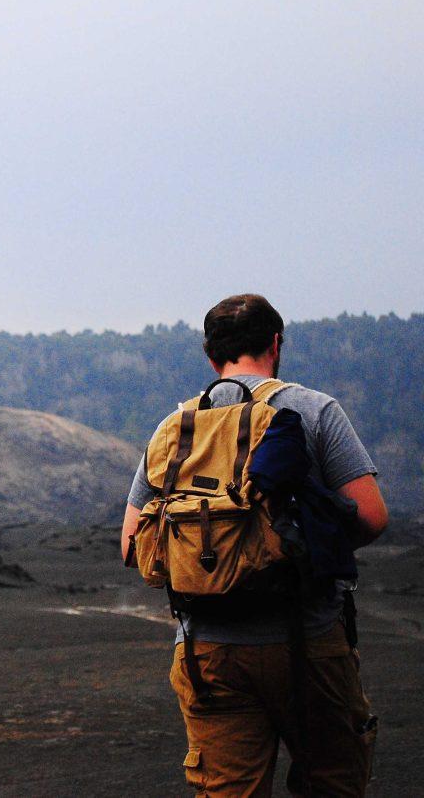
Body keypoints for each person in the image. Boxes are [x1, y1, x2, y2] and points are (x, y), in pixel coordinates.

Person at [120, 294, 387, 797]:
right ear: (276, 343)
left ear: (210, 354)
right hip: (308, 643)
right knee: (332, 781)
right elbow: (372, 516)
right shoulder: (313, 410)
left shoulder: (177, 427)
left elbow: (131, 545)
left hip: (209, 649)